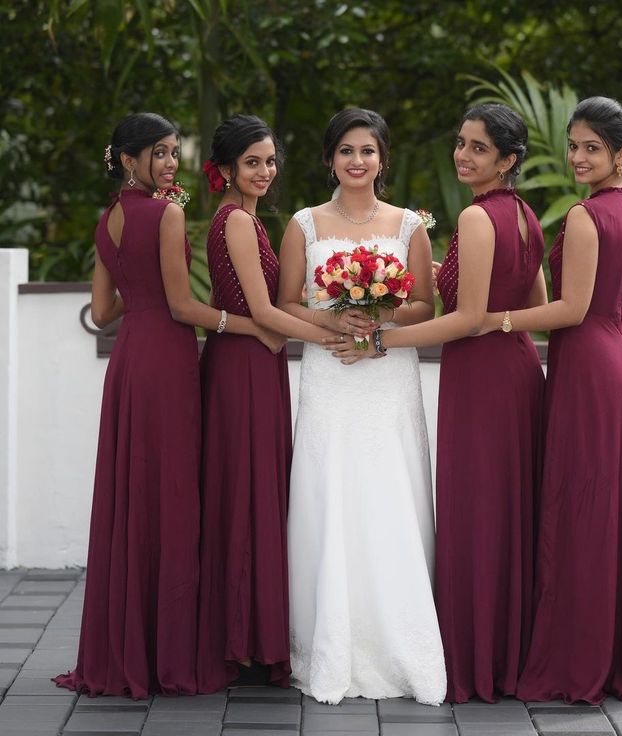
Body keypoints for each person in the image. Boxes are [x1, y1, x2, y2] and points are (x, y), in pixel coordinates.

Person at [327, 103, 547, 703]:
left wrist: (382, 339)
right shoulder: (526, 216)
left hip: (481, 380)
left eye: (478, 148)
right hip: (519, 369)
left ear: (506, 160)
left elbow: (468, 318)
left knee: (478, 516)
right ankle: (510, 650)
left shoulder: (478, 218)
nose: (462, 155)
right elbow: (533, 306)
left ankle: (480, 660)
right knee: (507, 514)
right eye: (461, 142)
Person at [54, 112, 277, 699]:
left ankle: (126, 647)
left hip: (129, 365)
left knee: (134, 496)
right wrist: (247, 325)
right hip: (169, 365)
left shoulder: (110, 220)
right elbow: (183, 306)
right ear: (129, 159)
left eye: (175, 151)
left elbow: (103, 313)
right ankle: (171, 654)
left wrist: (141, 289)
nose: (170, 162)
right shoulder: (169, 212)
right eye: (159, 152)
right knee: (175, 498)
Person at [483, 97, 622, 703]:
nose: (577, 157)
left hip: (591, 372)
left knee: (585, 510)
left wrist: (499, 319)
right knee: (621, 512)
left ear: (621, 153)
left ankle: (578, 659)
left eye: (592, 147)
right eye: (573, 146)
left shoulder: (586, 217)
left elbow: (568, 310)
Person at [277, 108, 446, 705]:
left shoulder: (409, 227)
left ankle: (399, 640)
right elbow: (286, 302)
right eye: (345, 151)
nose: (357, 162)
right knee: (332, 490)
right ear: (329, 159)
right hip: (329, 373)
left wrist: (380, 319)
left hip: (384, 373)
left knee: (388, 491)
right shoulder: (304, 224)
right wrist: (331, 320)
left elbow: (427, 304)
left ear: (383, 158)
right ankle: (327, 641)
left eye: (367, 151)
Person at [196, 114, 338, 693]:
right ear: (226, 168)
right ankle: (241, 640)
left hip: (258, 364)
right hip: (242, 371)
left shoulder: (250, 221)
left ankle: (251, 634)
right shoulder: (234, 222)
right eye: (252, 161)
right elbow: (261, 311)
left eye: (270, 161)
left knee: (255, 493)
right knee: (245, 495)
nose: (264, 171)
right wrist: (335, 335)